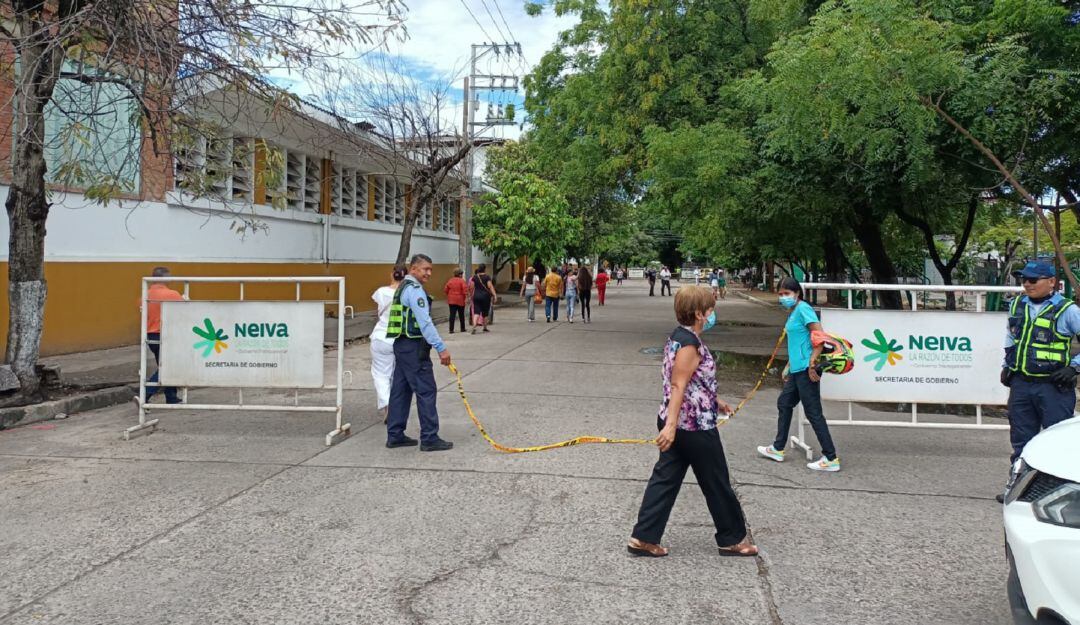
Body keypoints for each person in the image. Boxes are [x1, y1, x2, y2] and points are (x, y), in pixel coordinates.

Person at [628, 286, 758, 558]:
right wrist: (672, 426)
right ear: (699, 313)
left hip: (681, 420)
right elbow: (678, 384)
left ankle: (643, 537)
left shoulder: (679, 337)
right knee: (717, 480)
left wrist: (715, 400)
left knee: (666, 478)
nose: (713, 314)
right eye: (710, 310)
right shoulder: (689, 344)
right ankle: (732, 539)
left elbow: (693, 383)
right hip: (692, 426)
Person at [998, 261, 1080, 501]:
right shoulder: (1017, 305)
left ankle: (1057, 494)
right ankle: (1018, 491)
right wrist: (1006, 366)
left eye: (1033, 280)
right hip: (1022, 384)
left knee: (1057, 442)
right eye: (1023, 279)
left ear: (1052, 282)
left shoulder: (1068, 311)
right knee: (1021, 440)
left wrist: (1074, 368)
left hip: (1054, 387)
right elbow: (1010, 338)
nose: (1027, 284)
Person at [756, 277, 840, 471]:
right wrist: (788, 367)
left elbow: (820, 337)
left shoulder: (803, 309)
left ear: (797, 294)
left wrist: (812, 364)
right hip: (796, 369)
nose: (783, 297)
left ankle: (831, 458)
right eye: (780, 294)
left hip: (806, 369)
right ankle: (777, 448)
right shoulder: (793, 312)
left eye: (787, 293)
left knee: (813, 413)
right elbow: (797, 343)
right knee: (784, 403)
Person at [385, 254, 454, 452]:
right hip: (414, 346)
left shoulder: (402, 287)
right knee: (426, 390)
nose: (429, 273)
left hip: (401, 345)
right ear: (413, 268)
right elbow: (425, 323)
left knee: (401, 390)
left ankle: (395, 434)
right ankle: (430, 437)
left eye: (430, 269)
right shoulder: (414, 291)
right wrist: (441, 348)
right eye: (425, 269)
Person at [136, 266, 184, 405]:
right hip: (167, 335)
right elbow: (185, 311)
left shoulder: (144, 296)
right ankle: (144, 395)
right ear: (166, 277)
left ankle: (171, 397)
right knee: (166, 367)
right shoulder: (172, 294)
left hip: (150, 335)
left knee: (163, 365)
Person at [371, 264, 407, 419]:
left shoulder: (381, 292)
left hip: (380, 337)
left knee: (380, 374)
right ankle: (394, 406)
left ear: (392, 274)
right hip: (398, 338)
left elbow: (377, 311)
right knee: (395, 374)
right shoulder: (406, 293)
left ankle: (387, 406)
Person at [469, 264, 498, 335]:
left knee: (476, 312)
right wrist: (495, 295)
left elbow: (471, 287)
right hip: (485, 297)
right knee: (485, 313)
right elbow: (490, 286)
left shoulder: (475, 277)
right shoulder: (487, 277)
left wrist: (470, 296)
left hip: (476, 296)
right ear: (485, 269)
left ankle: (474, 326)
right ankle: (485, 327)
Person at [443, 269, 468, 334]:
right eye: (461, 274)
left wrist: (449, 294)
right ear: (460, 274)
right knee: (461, 315)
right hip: (460, 300)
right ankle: (462, 328)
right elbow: (465, 290)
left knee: (452, 315)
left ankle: (451, 329)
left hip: (451, 300)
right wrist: (467, 297)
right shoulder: (462, 281)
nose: (462, 275)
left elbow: (445, 289)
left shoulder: (450, 280)